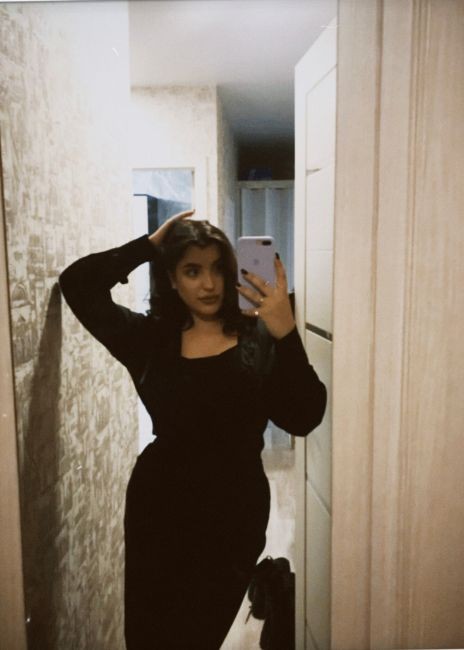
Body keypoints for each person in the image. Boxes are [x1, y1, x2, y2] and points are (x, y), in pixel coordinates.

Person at [58, 209, 327, 649]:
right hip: (159, 510)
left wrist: (286, 332)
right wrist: (146, 247)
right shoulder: (150, 341)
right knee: (148, 638)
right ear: (171, 279)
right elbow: (78, 284)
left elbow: (304, 416)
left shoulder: (258, 339)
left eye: (218, 268)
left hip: (233, 516)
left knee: (199, 635)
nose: (209, 284)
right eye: (192, 271)